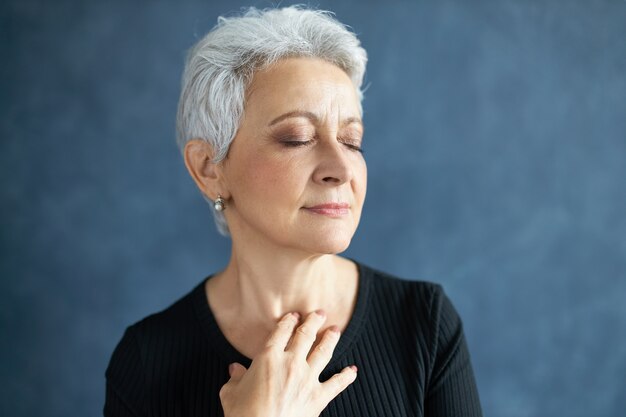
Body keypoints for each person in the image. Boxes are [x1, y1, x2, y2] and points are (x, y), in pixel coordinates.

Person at [104, 6, 482, 417]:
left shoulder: (424, 323)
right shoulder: (146, 361)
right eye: (297, 138)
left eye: (352, 141)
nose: (340, 170)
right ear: (209, 169)